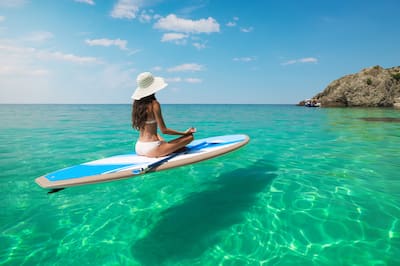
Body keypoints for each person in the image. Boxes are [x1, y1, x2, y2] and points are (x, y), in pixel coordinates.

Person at [131, 72, 196, 157]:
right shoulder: (154, 104)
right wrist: (184, 133)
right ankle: (169, 148)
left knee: (160, 138)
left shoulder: (137, 105)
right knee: (190, 137)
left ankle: (167, 147)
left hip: (139, 147)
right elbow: (164, 130)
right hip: (152, 148)